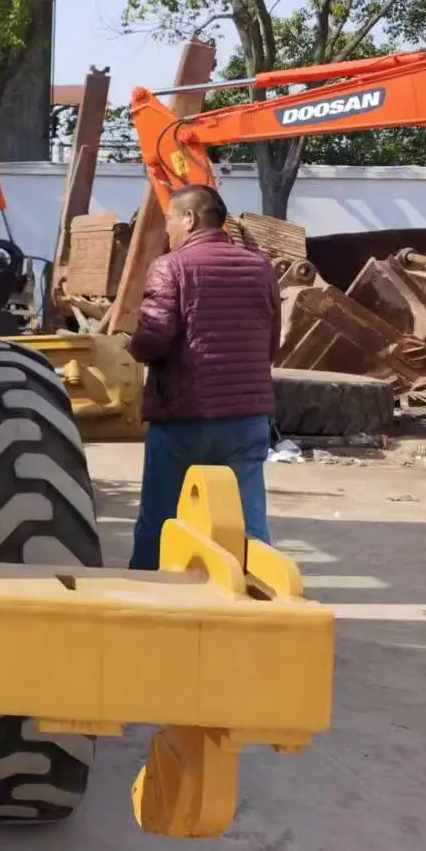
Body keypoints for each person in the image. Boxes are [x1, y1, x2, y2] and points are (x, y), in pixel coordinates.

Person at [128, 184, 279, 570]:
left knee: (161, 518)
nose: (169, 231)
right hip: (247, 418)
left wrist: (133, 346)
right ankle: (257, 596)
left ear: (190, 218)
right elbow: (271, 340)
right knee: (248, 523)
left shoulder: (171, 267)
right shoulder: (260, 267)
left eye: (170, 220)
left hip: (184, 417)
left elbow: (153, 341)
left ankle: (148, 593)